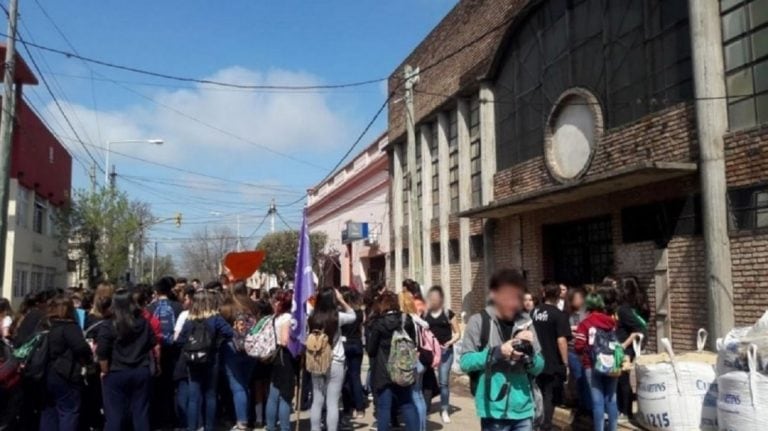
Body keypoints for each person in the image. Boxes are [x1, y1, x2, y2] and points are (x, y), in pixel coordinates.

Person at [460, 269, 545, 431]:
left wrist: (529, 356)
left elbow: (540, 366)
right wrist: (497, 352)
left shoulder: (526, 323)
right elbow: (465, 362)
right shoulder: (478, 321)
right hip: (493, 411)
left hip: (523, 409)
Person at [574, 284, 642, 431]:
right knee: (611, 399)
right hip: (612, 364)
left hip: (592, 366)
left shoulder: (585, 323)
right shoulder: (611, 321)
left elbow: (578, 346)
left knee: (597, 402)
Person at [97, 288, 156, 431]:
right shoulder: (143, 323)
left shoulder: (108, 324)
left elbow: (102, 351)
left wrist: (104, 370)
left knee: (114, 415)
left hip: (116, 372)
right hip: (140, 370)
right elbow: (152, 342)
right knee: (141, 413)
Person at [176, 289, 234, 431]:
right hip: (211, 358)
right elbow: (230, 332)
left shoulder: (189, 320)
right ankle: (209, 427)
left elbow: (179, 341)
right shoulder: (215, 319)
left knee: (194, 397)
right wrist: (217, 342)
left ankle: (192, 427)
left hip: (192, 360)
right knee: (210, 396)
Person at [39, 293, 93, 431]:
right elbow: (81, 348)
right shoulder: (69, 327)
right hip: (64, 374)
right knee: (69, 411)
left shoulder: (44, 325)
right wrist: (88, 360)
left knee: (48, 411)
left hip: (43, 372)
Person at [366, 291, 419, 431]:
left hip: (383, 370)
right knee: (407, 403)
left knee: (384, 407)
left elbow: (371, 350)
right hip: (403, 368)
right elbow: (414, 343)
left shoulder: (379, 323)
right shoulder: (406, 319)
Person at [308, 288, 356, 431]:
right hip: (335, 361)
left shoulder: (312, 316)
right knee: (333, 402)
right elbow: (353, 315)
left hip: (316, 360)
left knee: (317, 400)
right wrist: (342, 300)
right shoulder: (337, 317)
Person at [531, 282, 572, 431]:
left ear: (543, 294)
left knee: (536, 393)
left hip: (535, 360)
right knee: (549, 395)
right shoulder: (558, 315)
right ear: (557, 296)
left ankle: (535, 422)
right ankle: (545, 425)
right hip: (552, 362)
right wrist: (565, 362)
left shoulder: (534, 312)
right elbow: (561, 340)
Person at [220, 281, 259, 431]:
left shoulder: (226, 307)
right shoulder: (253, 306)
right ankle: (247, 418)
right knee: (245, 384)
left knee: (238, 386)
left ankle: (242, 422)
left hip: (232, 348)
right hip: (251, 347)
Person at [147, 277, 184, 429]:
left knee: (156, 387)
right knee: (172, 387)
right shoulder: (178, 307)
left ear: (156, 291)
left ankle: (157, 419)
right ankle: (172, 418)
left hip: (155, 351)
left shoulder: (150, 308)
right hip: (174, 351)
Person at [424, 286, 460, 424]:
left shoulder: (448, 313)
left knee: (443, 382)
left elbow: (457, 333)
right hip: (429, 352)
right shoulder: (425, 314)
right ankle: (425, 408)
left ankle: (444, 409)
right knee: (425, 380)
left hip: (445, 352)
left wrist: (450, 342)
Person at [615, 277, 648, 423]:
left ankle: (626, 411)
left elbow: (640, 328)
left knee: (622, 379)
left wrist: (626, 344)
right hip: (628, 347)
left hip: (626, 349)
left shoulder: (624, 310)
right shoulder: (633, 306)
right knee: (622, 378)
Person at [266, 290, 297, 431]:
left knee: (273, 394)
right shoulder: (286, 318)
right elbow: (285, 341)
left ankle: (271, 426)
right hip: (284, 357)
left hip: (275, 356)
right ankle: (285, 427)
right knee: (285, 396)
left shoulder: (275, 317)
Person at [340, 288, 365, 418]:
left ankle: (347, 407)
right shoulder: (359, 312)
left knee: (345, 378)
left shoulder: (342, 313)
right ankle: (359, 407)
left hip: (344, 345)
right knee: (355, 376)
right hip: (356, 344)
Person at [566, 286, 590, 415]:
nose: (581, 300)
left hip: (584, 348)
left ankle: (584, 404)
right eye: (578, 298)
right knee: (578, 377)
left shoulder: (586, 312)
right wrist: (572, 329)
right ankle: (580, 404)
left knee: (584, 377)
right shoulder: (566, 314)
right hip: (572, 350)